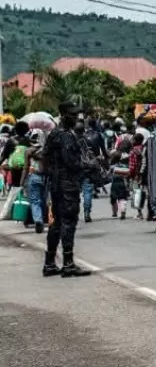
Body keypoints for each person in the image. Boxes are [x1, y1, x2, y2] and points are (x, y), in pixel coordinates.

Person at [40, 103, 92, 277]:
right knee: (68, 222)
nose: (76, 118)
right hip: (67, 184)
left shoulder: (54, 134)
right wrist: (90, 165)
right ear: (63, 115)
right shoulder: (65, 136)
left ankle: (49, 263)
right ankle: (68, 263)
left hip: (56, 184)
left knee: (57, 223)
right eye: (73, 115)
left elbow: (44, 156)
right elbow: (72, 163)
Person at [127, 133, 146, 220]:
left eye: (133, 139)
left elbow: (132, 166)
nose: (131, 141)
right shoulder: (145, 149)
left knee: (137, 193)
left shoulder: (133, 151)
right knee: (145, 192)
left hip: (136, 175)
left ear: (136, 141)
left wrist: (130, 175)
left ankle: (140, 213)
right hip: (145, 174)